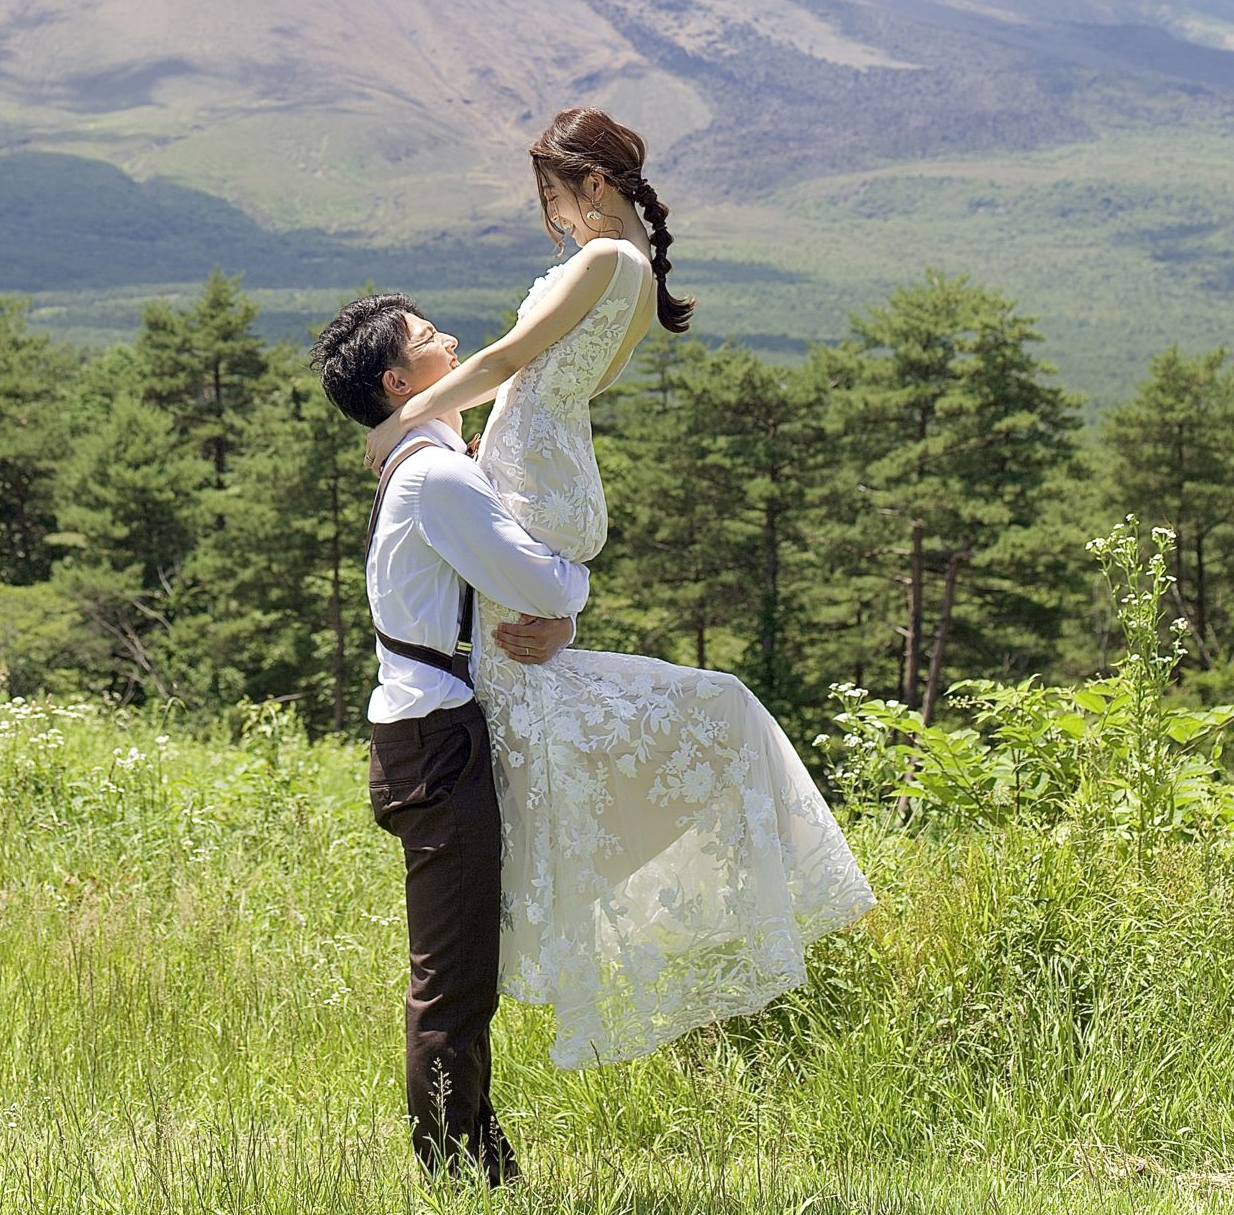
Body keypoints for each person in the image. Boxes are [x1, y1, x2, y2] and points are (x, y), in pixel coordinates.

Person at [362, 107, 876, 1070]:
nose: (553, 219)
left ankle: (524, 902)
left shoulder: (607, 262)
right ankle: (521, 889)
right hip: (543, 478)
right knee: (535, 695)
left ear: (590, 186)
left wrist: (404, 426)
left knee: (526, 703)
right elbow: (547, 384)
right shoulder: (638, 279)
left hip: (538, 487)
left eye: (554, 198)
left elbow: (506, 363)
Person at [311, 290, 591, 1186]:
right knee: (452, 978)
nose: (455, 343)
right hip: (437, 745)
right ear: (402, 379)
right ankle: (450, 1176)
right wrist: (574, 589)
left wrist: (559, 615)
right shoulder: (435, 473)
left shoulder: (423, 460)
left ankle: (484, 1168)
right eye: (432, 340)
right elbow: (537, 580)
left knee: (463, 966)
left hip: (429, 738)